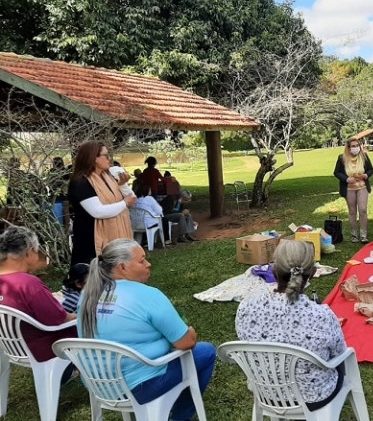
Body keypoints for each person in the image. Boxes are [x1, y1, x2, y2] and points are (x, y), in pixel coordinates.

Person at [77, 239, 215, 421]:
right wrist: (188, 332)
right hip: (139, 386)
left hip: (99, 384)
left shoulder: (87, 295)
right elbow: (186, 342)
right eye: (142, 261)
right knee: (205, 351)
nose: (148, 264)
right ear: (122, 268)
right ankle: (180, 417)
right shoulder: (147, 295)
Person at [235, 240, 347, 411]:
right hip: (314, 396)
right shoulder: (322, 316)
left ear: (273, 270)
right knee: (341, 363)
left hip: (267, 394)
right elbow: (339, 353)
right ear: (313, 273)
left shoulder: (246, 307)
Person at [0, 227, 77, 382]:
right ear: (29, 252)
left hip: (12, 347)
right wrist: (82, 315)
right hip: (45, 349)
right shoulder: (28, 284)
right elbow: (59, 319)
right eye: (37, 250)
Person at [68, 141, 136, 266]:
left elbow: (132, 198)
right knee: (94, 275)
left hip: (115, 233)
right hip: (91, 238)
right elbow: (98, 211)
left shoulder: (108, 177)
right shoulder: (81, 182)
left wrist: (122, 185)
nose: (109, 158)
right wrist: (124, 203)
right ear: (94, 158)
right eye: (106, 155)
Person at [333, 138, 373, 243]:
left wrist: (365, 175)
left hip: (362, 187)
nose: (356, 148)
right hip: (349, 188)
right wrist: (347, 179)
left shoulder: (364, 156)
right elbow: (337, 172)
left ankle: (364, 235)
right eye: (353, 146)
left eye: (357, 145)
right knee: (352, 211)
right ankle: (354, 235)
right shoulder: (342, 158)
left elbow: (371, 170)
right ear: (348, 148)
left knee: (363, 209)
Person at [132, 179, 195, 244]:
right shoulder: (171, 199)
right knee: (181, 215)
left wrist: (183, 212)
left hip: (137, 223)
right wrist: (181, 212)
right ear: (183, 197)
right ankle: (181, 236)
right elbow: (163, 211)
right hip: (165, 215)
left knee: (188, 215)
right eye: (186, 200)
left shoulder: (135, 200)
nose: (187, 202)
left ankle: (188, 234)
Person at [47, 156, 70, 225]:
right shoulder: (52, 171)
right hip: (55, 195)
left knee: (65, 212)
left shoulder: (65, 172)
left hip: (63, 195)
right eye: (55, 163)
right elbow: (50, 183)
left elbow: (66, 183)